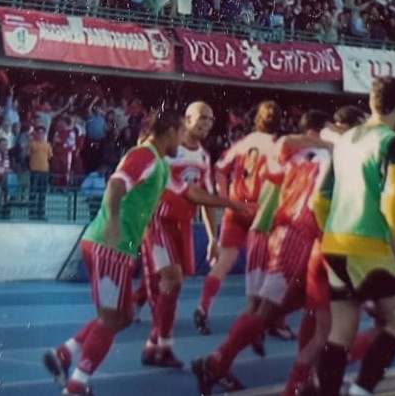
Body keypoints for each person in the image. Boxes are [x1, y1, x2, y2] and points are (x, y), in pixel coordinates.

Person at [43, 112, 185, 395]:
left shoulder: (158, 163)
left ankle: (64, 354)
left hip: (115, 248)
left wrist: (230, 203)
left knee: (124, 315)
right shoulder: (145, 155)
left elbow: (187, 192)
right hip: (111, 248)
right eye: (181, 133)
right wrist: (113, 223)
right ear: (170, 131)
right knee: (111, 319)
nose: (182, 140)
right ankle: (77, 385)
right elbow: (116, 184)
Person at [193, 110, 334, 394]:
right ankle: (218, 361)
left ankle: (300, 377)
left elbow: (272, 170)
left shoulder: (288, 151)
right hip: (292, 233)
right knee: (267, 310)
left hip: (278, 230)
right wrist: (329, 144)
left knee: (300, 309)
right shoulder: (321, 154)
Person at [312, 78, 395, 396]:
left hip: (335, 244)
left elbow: (320, 199)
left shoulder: (347, 139)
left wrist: (333, 231)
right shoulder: (392, 142)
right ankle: (360, 391)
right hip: (368, 248)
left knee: (341, 332)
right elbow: (394, 204)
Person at [141, 101, 251, 368]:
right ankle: (158, 344)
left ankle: (157, 345)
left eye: (210, 120)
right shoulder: (167, 149)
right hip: (158, 220)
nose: (206, 124)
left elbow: (205, 199)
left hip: (183, 225)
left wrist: (213, 238)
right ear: (187, 119)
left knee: (173, 285)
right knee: (171, 281)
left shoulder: (203, 156)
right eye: (201, 118)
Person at [196, 101, 282, 335]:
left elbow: (220, 169)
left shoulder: (242, 144)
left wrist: (226, 200)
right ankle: (264, 319)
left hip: (236, 207)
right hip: (260, 211)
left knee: (223, 262)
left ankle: (203, 308)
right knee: (267, 266)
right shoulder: (277, 147)